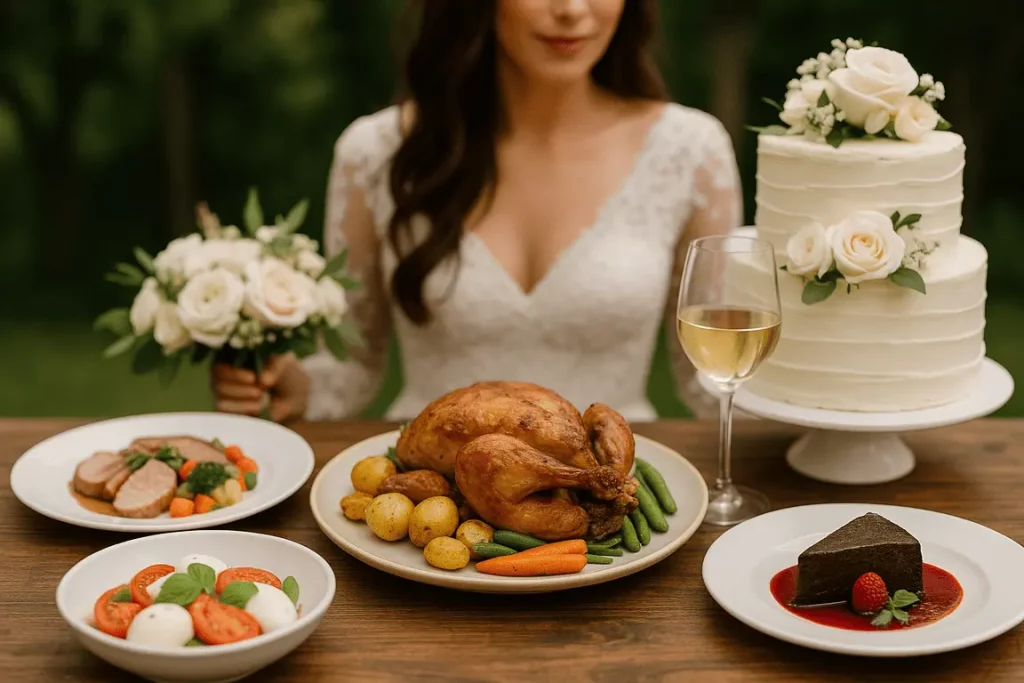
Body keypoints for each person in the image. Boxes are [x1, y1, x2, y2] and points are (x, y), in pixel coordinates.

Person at [211, 0, 741, 423]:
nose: (572, 9)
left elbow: (713, 381)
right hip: (425, 512)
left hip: (621, 506)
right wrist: (283, 385)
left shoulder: (691, 150)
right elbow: (350, 369)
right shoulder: (374, 154)